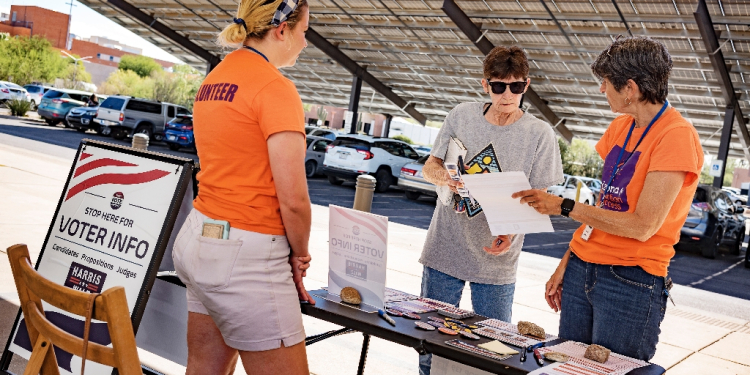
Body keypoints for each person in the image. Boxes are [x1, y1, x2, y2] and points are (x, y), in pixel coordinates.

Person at [513, 36, 703, 361]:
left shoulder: (676, 136)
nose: (602, 90)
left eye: (605, 83)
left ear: (630, 88)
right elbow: (605, 207)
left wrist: (564, 206)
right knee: (567, 366)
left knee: (612, 370)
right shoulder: (621, 127)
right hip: (583, 268)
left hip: (630, 279)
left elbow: (642, 226)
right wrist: (568, 261)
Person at [171, 0, 313, 373]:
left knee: (204, 367)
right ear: (281, 30)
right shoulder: (275, 88)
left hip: (197, 238)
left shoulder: (216, 77)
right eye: (304, 32)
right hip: (247, 254)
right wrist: (300, 254)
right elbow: (294, 199)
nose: (305, 42)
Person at [418, 46, 564, 374]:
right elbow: (431, 166)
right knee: (430, 343)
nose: (507, 94)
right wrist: (446, 178)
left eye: (516, 87)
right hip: (445, 251)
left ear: (527, 85)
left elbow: (539, 197)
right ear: (486, 85)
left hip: (497, 262)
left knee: (493, 350)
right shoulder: (461, 116)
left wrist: (511, 230)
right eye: (499, 86)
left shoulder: (540, 134)